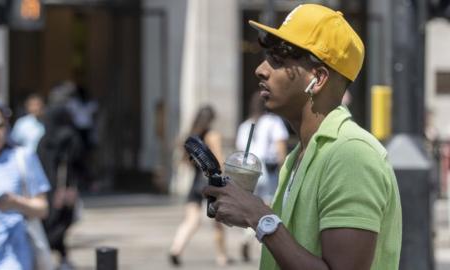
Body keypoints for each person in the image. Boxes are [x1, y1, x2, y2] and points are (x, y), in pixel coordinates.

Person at [203, 4, 402, 270]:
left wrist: (259, 217)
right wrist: (250, 209)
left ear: (317, 78)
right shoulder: (299, 156)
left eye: (278, 60)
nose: (261, 69)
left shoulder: (352, 155)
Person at [0, 103, 50, 269]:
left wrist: (16, 202)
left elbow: (42, 208)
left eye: (0, 125)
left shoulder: (22, 158)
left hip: (11, 255)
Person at [169, 105, 231, 267]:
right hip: (211, 182)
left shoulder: (192, 137)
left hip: (196, 181)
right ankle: (221, 256)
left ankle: (176, 248)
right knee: (217, 220)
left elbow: (185, 162)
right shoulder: (212, 135)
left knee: (191, 220)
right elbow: (219, 161)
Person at [236, 92, 288, 261]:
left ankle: (247, 237)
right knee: (268, 210)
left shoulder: (245, 125)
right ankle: (260, 243)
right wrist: (284, 172)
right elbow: (281, 151)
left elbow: (240, 151)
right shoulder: (273, 122)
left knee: (253, 207)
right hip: (267, 169)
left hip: (248, 171)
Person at [37, 104, 83, 270]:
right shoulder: (71, 136)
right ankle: (60, 256)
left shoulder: (44, 139)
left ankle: (53, 255)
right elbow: (77, 162)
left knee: (49, 221)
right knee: (62, 221)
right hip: (65, 188)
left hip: (46, 188)